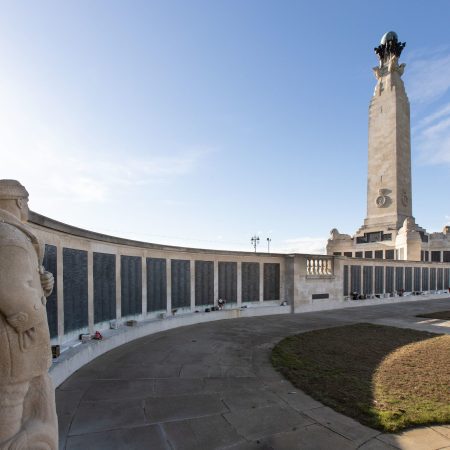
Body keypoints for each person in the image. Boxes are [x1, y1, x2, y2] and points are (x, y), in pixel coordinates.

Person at [0, 180, 58, 449]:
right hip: (17, 343)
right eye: (26, 202)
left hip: (18, 342)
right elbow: (11, 290)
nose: (27, 207)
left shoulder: (15, 235)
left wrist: (43, 281)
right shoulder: (9, 236)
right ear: (18, 201)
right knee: (10, 400)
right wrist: (32, 323)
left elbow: (24, 279)